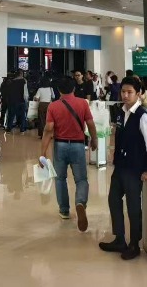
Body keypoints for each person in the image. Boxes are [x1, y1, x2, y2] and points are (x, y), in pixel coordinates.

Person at [99, 77, 147, 260]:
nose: (125, 95)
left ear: (138, 94)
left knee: (133, 206)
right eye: (123, 92)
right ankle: (119, 239)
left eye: (129, 92)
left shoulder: (142, 116)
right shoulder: (121, 112)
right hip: (120, 166)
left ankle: (134, 243)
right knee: (113, 200)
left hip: (134, 168)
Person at [40, 77, 97, 231]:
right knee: (81, 179)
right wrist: (94, 140)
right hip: (78, 145)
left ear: (59, 90)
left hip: (60, 145)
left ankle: (64, 210)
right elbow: (90, 124)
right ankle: (80, 202)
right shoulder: (83, 103)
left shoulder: (53, 106)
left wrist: (43, 152)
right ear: (74, 89)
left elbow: (48, 129)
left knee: (60, 179)